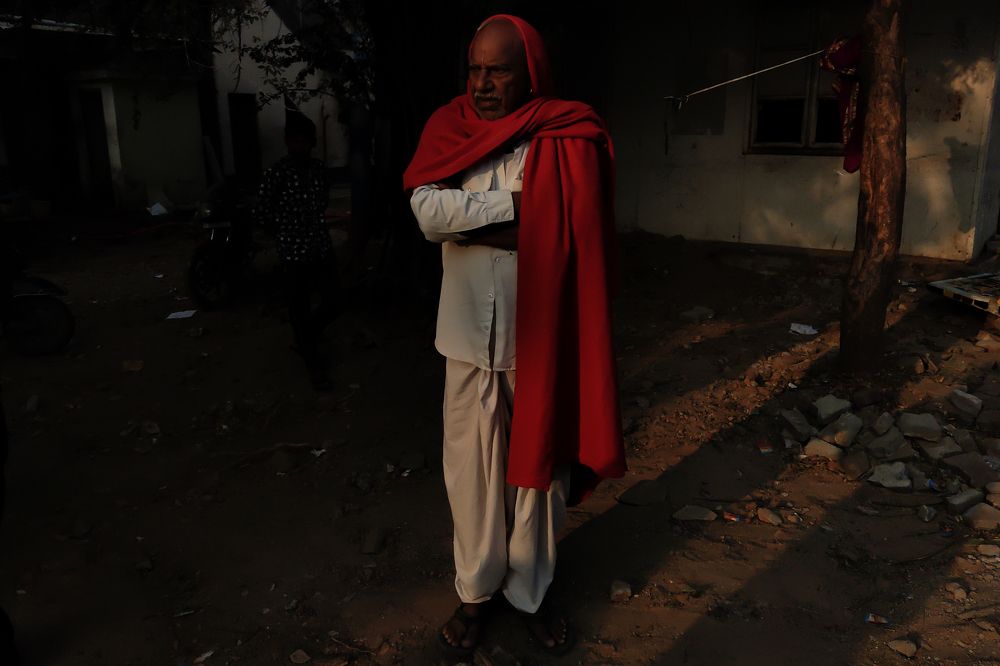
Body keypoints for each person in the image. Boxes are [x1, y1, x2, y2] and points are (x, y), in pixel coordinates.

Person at [404, 15, 625, 658]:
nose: (483, 83)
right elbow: (426, 211)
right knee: (469, 473)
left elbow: (577, 230)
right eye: (475, 68)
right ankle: (475, 593)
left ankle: (530, 590)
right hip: (466, 338)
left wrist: (469, 225)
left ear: (530, 72)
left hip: (542, 339)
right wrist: (523, 209)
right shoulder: (448, 127)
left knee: (538, 476)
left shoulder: (568, 133)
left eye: (498, 69)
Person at [256, 111, 339, 390]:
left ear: (312, 141)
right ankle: (314, 367)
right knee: (299, 307)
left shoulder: (318, 170)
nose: (302, 145)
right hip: (293, 253)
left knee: (333, 301)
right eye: (296, 140)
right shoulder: (277, 173)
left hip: (320, 247)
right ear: (288, 142)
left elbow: (323, 201)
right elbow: (262, 212)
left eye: (306, 140)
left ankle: (305, 339)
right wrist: (286, 229)